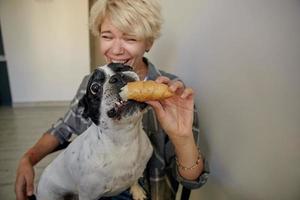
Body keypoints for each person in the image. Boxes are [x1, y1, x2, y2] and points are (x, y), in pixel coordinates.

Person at [15, 0, 209, 199]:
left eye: (130, 38)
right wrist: (28, 159)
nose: (116, 50)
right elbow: (64, 128)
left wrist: (182, 138)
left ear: (149, 42)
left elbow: (191, 180)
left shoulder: (172, 92)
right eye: (107, 36)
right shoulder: (88, 84)